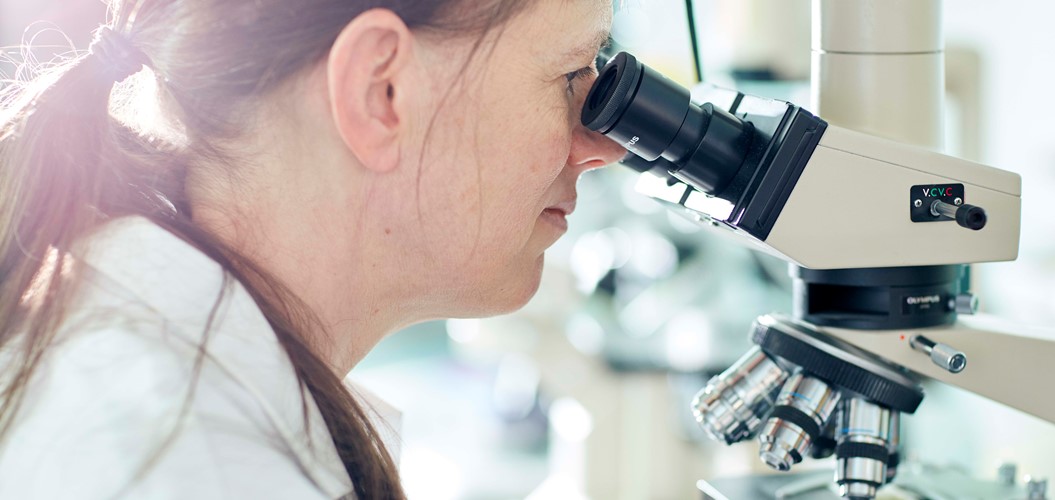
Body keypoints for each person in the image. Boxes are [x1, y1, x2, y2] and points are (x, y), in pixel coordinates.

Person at [0, 0, 627, 498]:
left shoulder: (163, 376)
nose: (606, 147)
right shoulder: (189, 462)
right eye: (572, 75)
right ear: (379, 92)